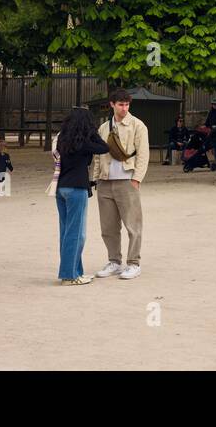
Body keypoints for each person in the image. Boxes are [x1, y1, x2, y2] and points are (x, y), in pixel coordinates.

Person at [91, 89, 151, 280]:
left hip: (127, 180)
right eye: (120, 105)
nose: (124, 108)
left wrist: (136, 179)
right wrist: (96, 179)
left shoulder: (138, 125)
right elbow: (98, 156)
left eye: (127, 105)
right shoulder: (103, 127)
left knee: (133, 225)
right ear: (112, 104)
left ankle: (133, 263)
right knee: (108, 227)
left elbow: (143, 155)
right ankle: (114, 261)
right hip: (105, 181)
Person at [52, 107, 109, 286]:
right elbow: (104, 147)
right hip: (77, 188)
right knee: (76, 234)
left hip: (60, 188)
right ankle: (69, 275)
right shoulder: (84, 143)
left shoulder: (62, 139)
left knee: (67, 232)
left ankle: (76, 272)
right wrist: (93, 132)